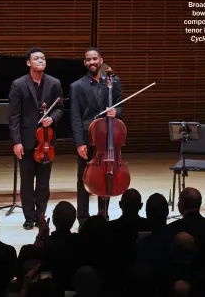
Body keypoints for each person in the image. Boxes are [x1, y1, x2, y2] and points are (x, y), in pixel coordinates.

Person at [9, 47, 64, 230]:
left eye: (43, 58)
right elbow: (14, 116)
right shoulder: (18, 84)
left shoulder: (54, 83)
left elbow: (60, 108)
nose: (41, 60)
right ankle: (29, 217)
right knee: (26, 182)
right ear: (28, 62)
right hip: (26, 140)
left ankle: (40, 215)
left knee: (43, 183)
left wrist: (52, 118)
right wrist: (16, 141)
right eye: (36, 58)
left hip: (47, 141)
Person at [70, 47, 122, 226]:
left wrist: (116, 111)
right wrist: (79, 143)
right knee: (83, 178)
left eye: (95, 59)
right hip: (87, 137)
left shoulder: (113, 82)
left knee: (107, 175)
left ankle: (103, 215)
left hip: (107, 138)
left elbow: (120, 104)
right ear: (85, 63)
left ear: (101, 60)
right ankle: (83, 218)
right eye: (88, 60)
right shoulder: (76, 86)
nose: (91, 62)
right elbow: (75, 117)